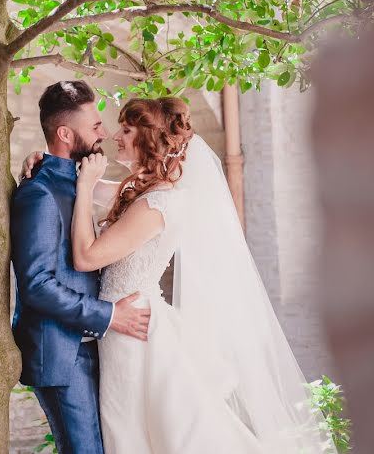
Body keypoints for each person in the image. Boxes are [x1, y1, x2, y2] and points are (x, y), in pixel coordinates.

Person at [23, 96, 336, 454]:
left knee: (144, 435)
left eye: (126, 130)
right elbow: (86, 184)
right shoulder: (136, 190)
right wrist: (41, 159)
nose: (115, 137)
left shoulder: (158, 204)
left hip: (133, 332)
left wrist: (82, 188)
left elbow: (86, 257)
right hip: (121, 327)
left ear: (149, 138)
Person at [9, 80, 152, 454]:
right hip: (62, 351)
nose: (103, 132)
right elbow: (36, 284)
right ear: (64, 133)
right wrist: (108, 315)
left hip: (93, 344)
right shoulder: (38, 193)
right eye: (94, 127)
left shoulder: (77, 178)